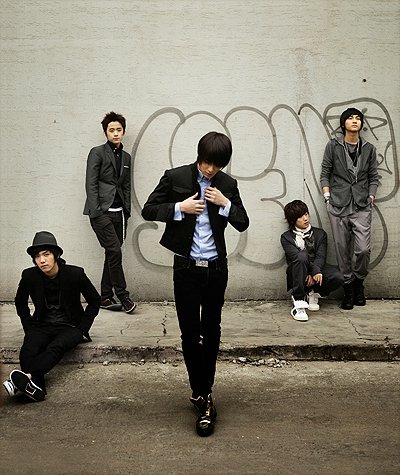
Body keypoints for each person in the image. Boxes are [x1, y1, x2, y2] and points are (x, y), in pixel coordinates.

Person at [142, 131, 249, 437]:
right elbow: (149, 209)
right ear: (199, 155)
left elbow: (242, 222)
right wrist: (180, 209)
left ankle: (204, 394)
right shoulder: (175, 176)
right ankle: (202, 395)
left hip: (216, 269)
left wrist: (225, 203)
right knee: (190, 334)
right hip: (186, 269)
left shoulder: (227, 185)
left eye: (216, 165)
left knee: (211, 331)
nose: (210, 169)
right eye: (206, 162)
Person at [3, 231, 101, 402]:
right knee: (28, 349)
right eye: (37, 256)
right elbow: (20, 302)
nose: (41, 260)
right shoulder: (29, 276)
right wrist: (29, 327)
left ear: (56, 255)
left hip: (70, 326)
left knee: (56, 347)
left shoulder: (75, 274)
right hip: (42, 324)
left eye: (46, 254)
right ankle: (36, 389)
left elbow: (95, 300)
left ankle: (24, 379)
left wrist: (82, 328)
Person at [320, 107, 379, 310]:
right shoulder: (333, 146)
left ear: (361, 124)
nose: (355, 121)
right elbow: (325, 172)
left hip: (362, 204)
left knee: (363, 249)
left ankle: (359, 282)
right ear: (343, 123)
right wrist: (327, 197)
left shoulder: (369, 148)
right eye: (350, 118)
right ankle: (348, 288)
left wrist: (371, 196)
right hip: (337, 204)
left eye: (358, 118)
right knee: (342, 249)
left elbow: (373, 176)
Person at [83, 111, 136, 314]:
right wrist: (96, 212)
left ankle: (105, 297)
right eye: (111, 130)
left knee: (111, 253)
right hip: (101, 213)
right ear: (105, 132)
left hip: (119, 213)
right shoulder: (97, 152)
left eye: (118, 130)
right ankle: (123, 296)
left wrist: (127, 210)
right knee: (114, 251)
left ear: (123, 132)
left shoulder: (126, 157)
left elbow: (126, 186)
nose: (115, 133)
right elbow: (90, 183)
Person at [280, 200, 344, 321]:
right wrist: (312, 271)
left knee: (338, 277)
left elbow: (321, 257)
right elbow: (295, 257)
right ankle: (298, 301)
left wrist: (316, 272)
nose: (305, 218)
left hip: (318, 269)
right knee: (301, 256)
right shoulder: (286, 237)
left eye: (306, 214)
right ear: (293, 220)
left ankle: (313, 293)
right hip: (297, 271)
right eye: (300, 217)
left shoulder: (320, 234)